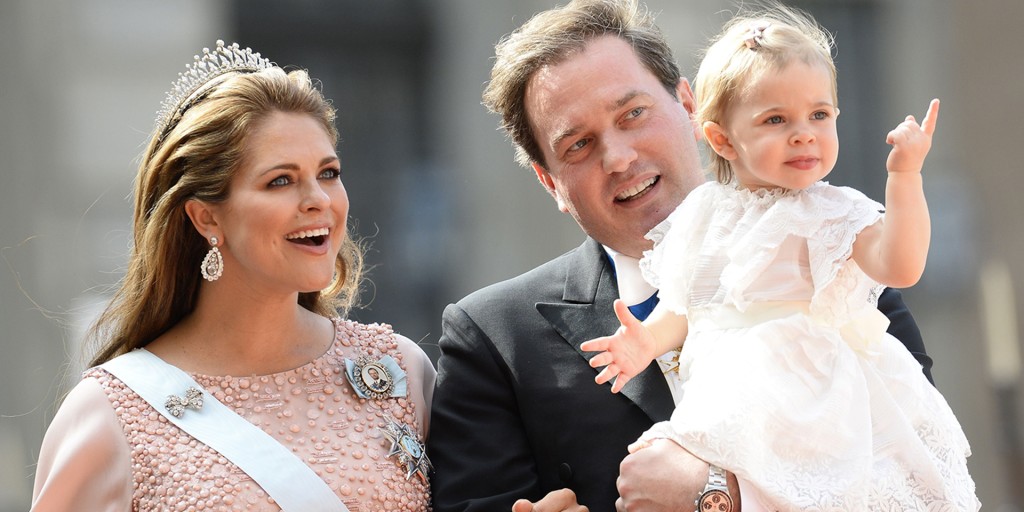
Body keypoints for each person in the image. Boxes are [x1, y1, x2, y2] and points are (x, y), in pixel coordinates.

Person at [427, 1, 934, 511]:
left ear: (689, 106)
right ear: (548, 181)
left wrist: (721, 498)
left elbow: (913, 474)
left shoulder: (828, 261)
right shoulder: (495, 338)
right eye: (579, 144)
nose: (619, 158)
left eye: (634, 114)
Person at [579, 5, 978, 510]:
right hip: (731, 389)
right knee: (681, 465)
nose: (803, 133)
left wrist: (904, 179)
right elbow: (688, 304)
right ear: (722, 138)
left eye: (819, 115)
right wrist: (644, 342)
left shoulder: (833, 211)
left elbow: (900, 265)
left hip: (814, 396)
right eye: (776, 119)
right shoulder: (704, 211)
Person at [31, 41, 434, 511]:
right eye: (280, 180)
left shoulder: (401, 373)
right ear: (206, 218)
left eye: (328, 173)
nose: (319, 200)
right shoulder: (110, 415)